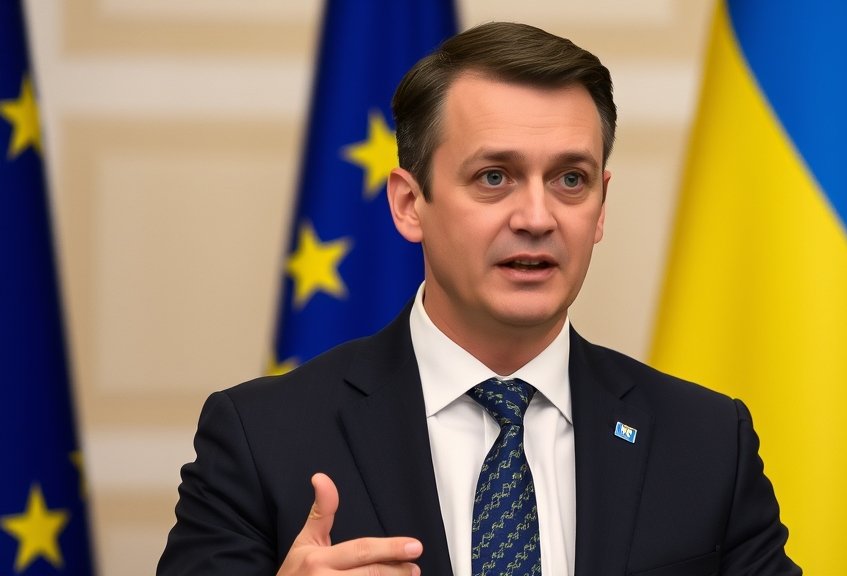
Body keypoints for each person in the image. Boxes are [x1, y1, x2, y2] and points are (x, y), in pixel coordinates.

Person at [158, 21, 800, 576]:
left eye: (570, 180)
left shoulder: (707, 442)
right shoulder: (261, 437)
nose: (537, 216)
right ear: (410, 204)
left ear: (601, 207)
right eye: (494, 177)